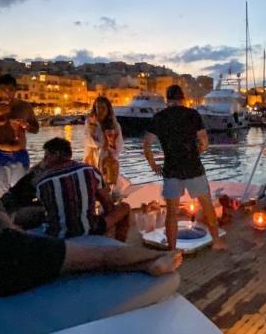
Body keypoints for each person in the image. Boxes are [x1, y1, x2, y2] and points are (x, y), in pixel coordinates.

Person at [0, 172, 182, 297]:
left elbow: (9, 218)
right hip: (5, 254)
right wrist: (18, 234)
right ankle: (160, 256)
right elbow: (3, 223)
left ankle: (147, 266)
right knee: (100, 256)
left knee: (81, 265)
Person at [143, 84, 225, 251]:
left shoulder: (159, 117)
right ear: (182, 98)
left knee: (172, 212)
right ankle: (216, 240)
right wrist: (198, 152)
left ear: (167, 99)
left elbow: (146, 144)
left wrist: (153, 165)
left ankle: (172, 251)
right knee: (207, 205)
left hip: (171, 169)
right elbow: (204, 141)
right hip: (193, 166)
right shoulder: (193, 114)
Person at [37, 137, 130, 241]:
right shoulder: (90, 170)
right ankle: (118, 246)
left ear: (56, 154)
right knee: (124, 207)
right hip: (90, 230)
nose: (44, 160)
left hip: (56, 235)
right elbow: (108, 205)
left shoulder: (42, 182)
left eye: (46, 156)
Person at [0, 74, 39, 198]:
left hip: (20, 155)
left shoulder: (25, 106)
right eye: (3, 89)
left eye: (10, 89)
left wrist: (25, 125)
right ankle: (3, 216)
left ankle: (16, 216)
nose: (7, 93)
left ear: (15, 89)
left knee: (20, 194)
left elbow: (35, 129)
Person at [84, 95, 123, 185]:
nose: (100, 110)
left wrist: (111, 152)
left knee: (108, 184)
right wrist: (102, 145)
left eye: (103, 107)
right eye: (97, 107)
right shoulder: (90, 123)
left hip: (109, 160)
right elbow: (87, 139)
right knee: (93, 184)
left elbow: (119, 144)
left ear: (108, 109)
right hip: (92, 157)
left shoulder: (115, 125)